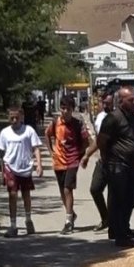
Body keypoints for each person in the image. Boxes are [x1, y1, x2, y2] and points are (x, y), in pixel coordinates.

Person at [95, 86, 134, 248]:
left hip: (133, 165)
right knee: (120, 200)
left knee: (132, 197)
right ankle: (120, 235)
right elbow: (101, 141)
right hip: (117, 165)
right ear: (121, 101)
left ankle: (122, 227)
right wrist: (107, 160)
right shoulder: (112, 119)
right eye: (131, 100)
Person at [45, 94, 90, 234]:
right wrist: (50, 150)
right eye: (63, 108)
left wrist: (82, 155)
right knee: (62, 190)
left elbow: (86, 141)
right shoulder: (55, 123)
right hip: (58, 161)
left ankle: (68, 221)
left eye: (68, 109)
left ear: (72, 109)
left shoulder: (78, 124)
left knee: (67, 189)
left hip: (72, 161)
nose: (65, 111)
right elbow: (47, 134)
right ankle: (71, 213)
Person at [0, 106, 43, 237]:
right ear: (8, 117)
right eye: (12, 117)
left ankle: (28, 220)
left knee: (26, 194)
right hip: (10, 167)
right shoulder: (4, 133)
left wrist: (38, 164)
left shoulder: (28, 131)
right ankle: (13, 225)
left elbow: (36, 148)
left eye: (17, 117)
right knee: (12, 194)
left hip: (25, 167)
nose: (14, 120)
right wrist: (2, 173)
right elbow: (2, 154)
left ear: (22, 117)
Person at [82, 91, 113, 231]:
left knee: (115, 195)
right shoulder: (100, 117)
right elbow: (99, 139)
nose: (105, 105)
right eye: (103, 102)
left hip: (116, 162)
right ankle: (106, 218)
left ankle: (119, 226)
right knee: (95, 189)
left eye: (108, 102)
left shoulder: (118, 117)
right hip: (103, 160)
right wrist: (87, 154)